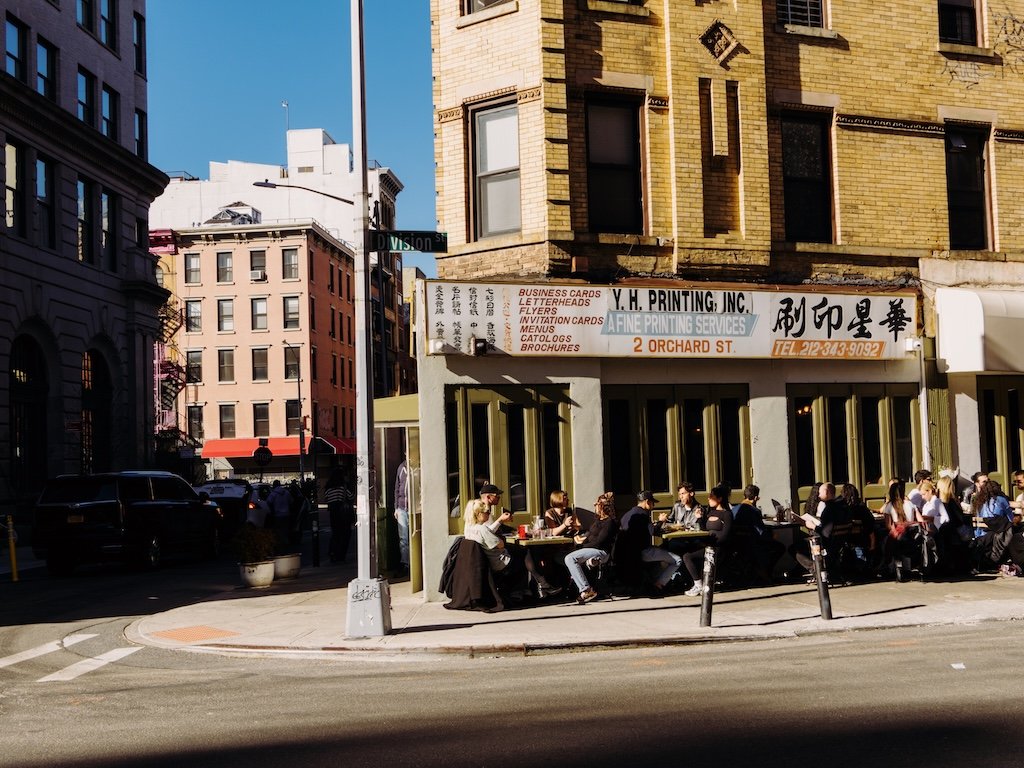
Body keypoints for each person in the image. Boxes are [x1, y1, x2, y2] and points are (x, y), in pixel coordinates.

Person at [617, 490, 682, 595]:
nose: (653, 505)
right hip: (642, 552)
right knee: (677, 560)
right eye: (652, 503)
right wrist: (661, 521)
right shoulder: (642, 514)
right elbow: (653, 531)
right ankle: (658, 585)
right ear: (647, 501)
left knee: (661, 550)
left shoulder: (628, 514)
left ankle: (654, 580)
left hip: (628, 553)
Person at [564, 496, 619, 604]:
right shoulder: (598, 520)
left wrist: (582, 545)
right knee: (564, 557)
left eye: (597, 504)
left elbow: (599, 542)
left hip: (601, 551)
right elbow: (590, 534)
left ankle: (587, 590)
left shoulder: (609, 523)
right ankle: (573, 588)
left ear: (603, 507)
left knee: (570, 558)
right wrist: (581, 538)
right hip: (591, 549)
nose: (594, 506)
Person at [682, 483, 733, 596]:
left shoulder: (727, 514)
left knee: (688, 556)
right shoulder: (710, 512)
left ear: (719, 499)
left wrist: (709, 542)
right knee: (686, 553)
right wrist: (699, 519)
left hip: (718, 548)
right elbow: (704, 528)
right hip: (707, 545)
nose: (708, 498)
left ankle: (699, 585)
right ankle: (697, 583)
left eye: (711, 496)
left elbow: (725, 535)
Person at [729, 484, 784, 585]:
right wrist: (772, 536)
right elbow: (761, 533)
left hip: (738, 543)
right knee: (780, 547)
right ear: (755, 498)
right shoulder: (754, 511)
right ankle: (764, 571)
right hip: (753, 544)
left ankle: (757, 571)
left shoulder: (734, 510)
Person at [324, 468, 355, 563]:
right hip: (343, 514)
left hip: (333, 514)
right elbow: (351, 496)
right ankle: (341, 555)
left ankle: (333, 553)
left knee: (335, 534)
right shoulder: (343, 487)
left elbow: (326, 499)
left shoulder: (328, 488)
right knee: (345, 534)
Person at [266, 480, 293, 554]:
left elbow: (268, 502)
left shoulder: (273, 494)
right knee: (285, 530)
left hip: (277, 515)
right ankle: (286, 543)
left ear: (274, 485)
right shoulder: (287, 493)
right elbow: (291, 501)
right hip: (287, 514)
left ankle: (280, 545)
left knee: (278, 531)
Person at [394, 458, 410, 573]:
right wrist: (396, 508)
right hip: (402, 507)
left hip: (414, 507)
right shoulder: (401, 468)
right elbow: (396, 488)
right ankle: (405, 563)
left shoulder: (417, 467)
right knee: (403, 539)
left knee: (412, 537)